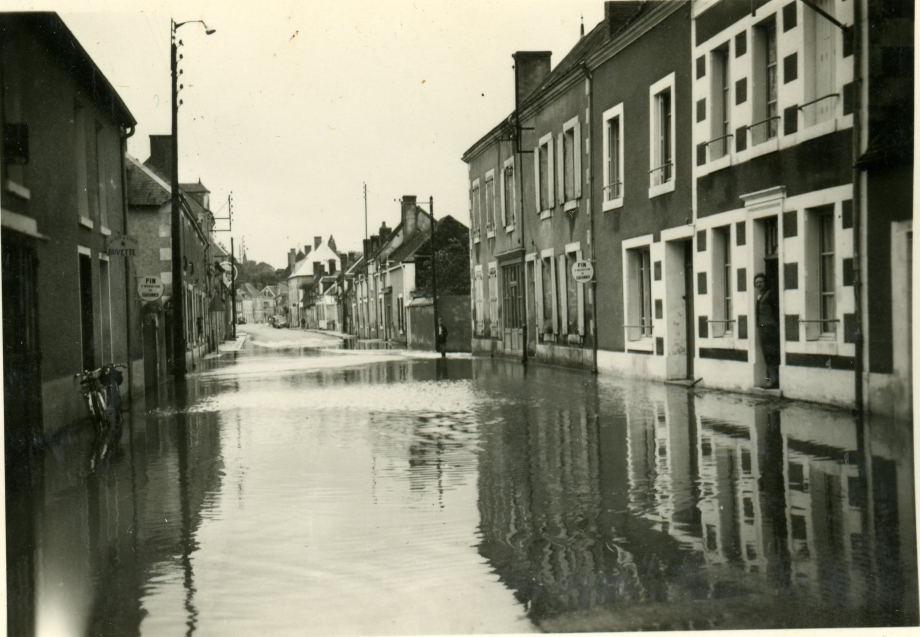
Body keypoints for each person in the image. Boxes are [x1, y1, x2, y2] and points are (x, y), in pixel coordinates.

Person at [754, 273, 780, 388]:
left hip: (769, 327)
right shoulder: (760, 295)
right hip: (762, 327)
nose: (758, 284)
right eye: (756, 283)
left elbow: (775, 310)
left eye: (761, 282)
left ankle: (773, 380)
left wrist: (775, 325)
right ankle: (771, 379)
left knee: (771, 353)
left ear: (765, 282)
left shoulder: (770, 294)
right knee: (766, 353)